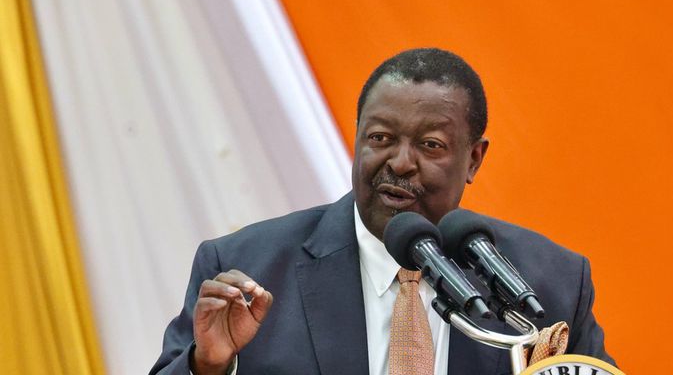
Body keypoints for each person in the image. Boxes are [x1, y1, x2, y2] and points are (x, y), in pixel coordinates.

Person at [150, 48, 615, 374]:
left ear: (474, 159)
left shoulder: (549, 283)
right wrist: (208, 366)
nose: (400, 162)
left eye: (430, 145)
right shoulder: (248, 269)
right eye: (380, 138)